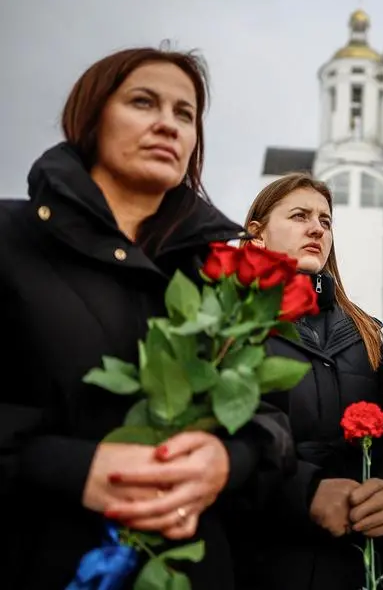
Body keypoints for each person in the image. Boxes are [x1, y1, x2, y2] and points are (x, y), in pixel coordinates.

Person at [0, 47, 291, 589]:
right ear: (90, 117)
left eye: (185, 114)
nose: (167, 124)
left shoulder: (217, 272)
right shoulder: (11, 241)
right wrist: (72, 469)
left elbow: (270, 416)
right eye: (143, 102)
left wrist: (229, 459)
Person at [227, 173, 383, 590]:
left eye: (326, 221)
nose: (317, 228)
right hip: (260, 558)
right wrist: (304, 492)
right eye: (300, 216)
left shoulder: (365, 329)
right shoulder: (226, 321)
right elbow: (216, 436)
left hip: (357, 563)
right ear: (257, 236)